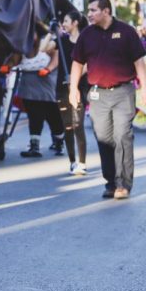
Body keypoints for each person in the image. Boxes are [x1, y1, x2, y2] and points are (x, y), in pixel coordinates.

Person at [69, 0, 146, 200]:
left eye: (93, 10)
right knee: (104, 138)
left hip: (123, 92)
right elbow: (77, 63)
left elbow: (139, 62)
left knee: (122, 136)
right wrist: (73, 89)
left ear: (106, 11)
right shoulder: (86, 35)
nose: (89, 14)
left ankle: (123, 184)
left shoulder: (126, 32)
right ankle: (111, 182)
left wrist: (145, 89)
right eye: (89, 10)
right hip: (97, 94)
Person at [17, 24, 64, 157]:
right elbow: (14, 59)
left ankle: (59, 141)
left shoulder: (45, 43)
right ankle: (34, 146)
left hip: (45, 82)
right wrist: (7, 66)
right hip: (28, 85)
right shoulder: (21, 45)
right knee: (34, 116)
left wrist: (49, 68)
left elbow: (57, 55)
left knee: (53, 115)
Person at [56, 11, 89, 174]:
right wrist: (51, 32)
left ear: (75, 23)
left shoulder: (84, 40)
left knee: (78, 125)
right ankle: (72, 161)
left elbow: (89, 63)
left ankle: (82, 163)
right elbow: (43, 49)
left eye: (66, 21)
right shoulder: (61, 41)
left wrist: (75, 77)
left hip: (80, 88)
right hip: (62, 88)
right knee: (67, 126)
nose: (64, 24)